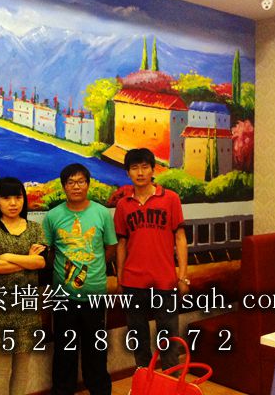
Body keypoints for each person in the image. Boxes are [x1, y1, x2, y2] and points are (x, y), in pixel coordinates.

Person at [43, 163, 117, 395]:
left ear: (88, 184)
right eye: (71, 182)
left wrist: (94, 267)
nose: (76, 186)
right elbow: (49, 251)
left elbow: (110, 248)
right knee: (64, 350)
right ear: (64, 186)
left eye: (81, 181)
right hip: (63, 296)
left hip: (95, 294)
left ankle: (99, 390)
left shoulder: (102, 213)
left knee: (96, 349)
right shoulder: (52, 216)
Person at [114, 148, 189, 371]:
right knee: (139, 340)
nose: (140, 172)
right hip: (133, 282)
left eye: (145, 167)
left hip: (164, 281)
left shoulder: (170, 199)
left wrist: (183, 276)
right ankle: (144, 381)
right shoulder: (123, 205)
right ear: (128, 172)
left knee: (169, 340)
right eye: (134, 168)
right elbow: (122, 244)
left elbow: (180, 238)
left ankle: (170, 381)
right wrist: (120, 279)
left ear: (153, 170)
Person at [0, 177, 47, 395]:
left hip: (27, 308)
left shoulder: (35, 229)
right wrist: (27, 259)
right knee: (1, 370)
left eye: (18, 197)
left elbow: (41, 262)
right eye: (6, 198)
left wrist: (7, 256)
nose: (13, 203)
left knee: (22, 368)